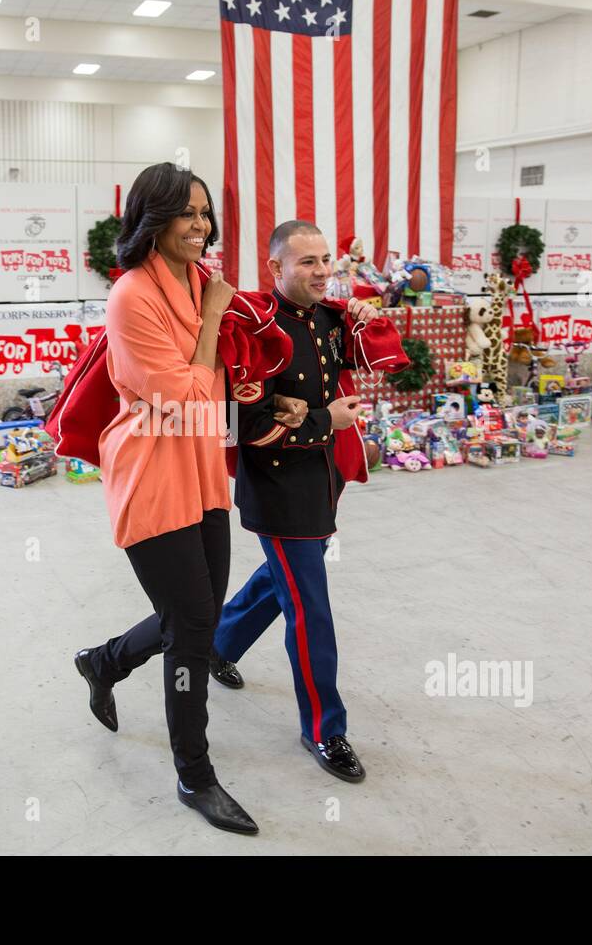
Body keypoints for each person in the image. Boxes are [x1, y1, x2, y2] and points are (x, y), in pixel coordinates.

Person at [71, 161, 261, 835]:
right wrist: (212, 322)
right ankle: (194, 775)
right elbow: (179, 398)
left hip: (202, 463)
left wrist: (234, 386)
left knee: (197, 619)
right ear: (153, 219)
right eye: (187, 213)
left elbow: (206, 386)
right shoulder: (132, 295)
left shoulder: (194, 277)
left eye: (205, 213)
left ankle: (103, 661)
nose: (201, 226)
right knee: (191, 634)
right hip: (152, 472)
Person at [213, 219, 384, 783]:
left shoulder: (326, 317)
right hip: (279, 485)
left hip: (320, 479)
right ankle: (324, 728)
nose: (321, 271)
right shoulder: (253, 328)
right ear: (276, 268)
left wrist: (363, 316)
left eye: (325, 259)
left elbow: (354, 358)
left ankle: (219, 644)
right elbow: (248, 424)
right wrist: (322, 420)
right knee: (310, 607)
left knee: (283, 576)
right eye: (306, 262)